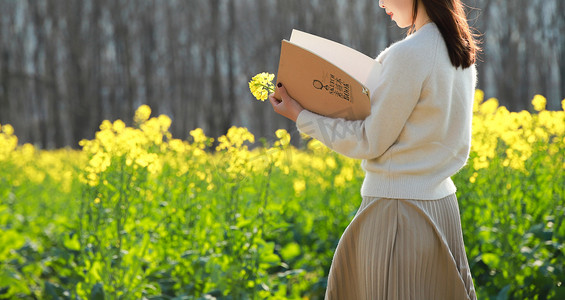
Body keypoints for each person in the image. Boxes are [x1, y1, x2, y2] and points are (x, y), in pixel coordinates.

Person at [268, 0, 480, 299]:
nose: (380, 2)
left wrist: (301, 116)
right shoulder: (458, 49)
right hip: (441, 206)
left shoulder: (408, 54)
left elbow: (369, 141)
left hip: (399, 211)